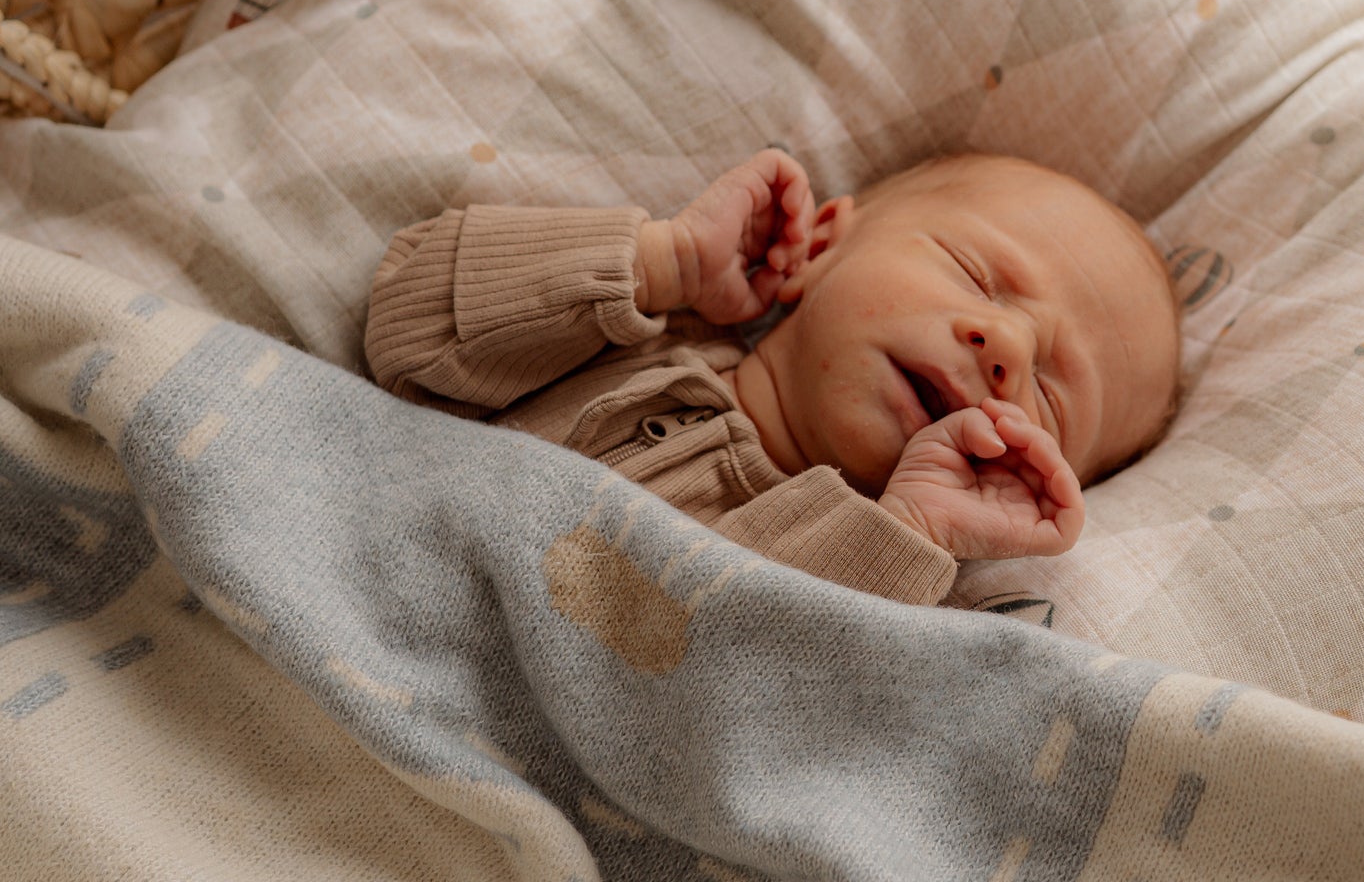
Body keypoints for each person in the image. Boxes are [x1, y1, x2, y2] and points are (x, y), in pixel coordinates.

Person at [363, 148, 1182, 606]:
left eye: (1049, 392)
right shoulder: (626, 333)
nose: (1003, 344)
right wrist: (662, 261)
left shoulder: (873, 588)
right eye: (973, 274)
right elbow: (405, 322)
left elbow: (730, 712)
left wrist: (911, 535)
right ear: (821, 243)